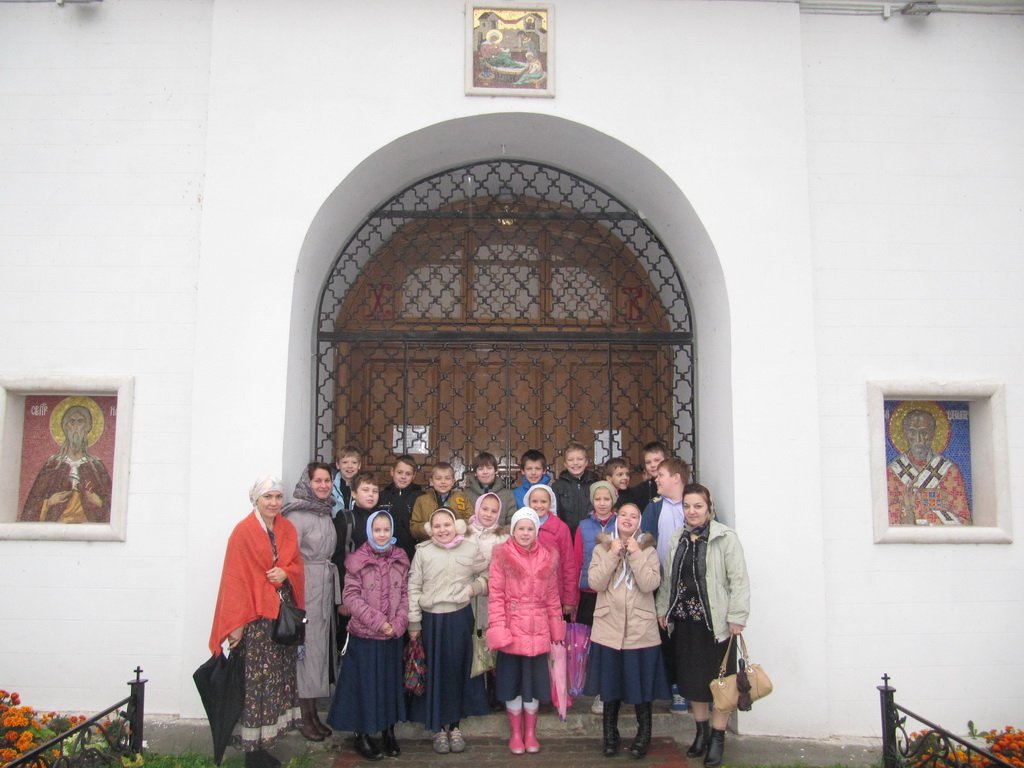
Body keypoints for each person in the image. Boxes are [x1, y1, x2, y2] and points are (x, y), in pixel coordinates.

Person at [208, 477, 304, 768]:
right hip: (255, 619)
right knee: (255, 684)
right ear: (256, 500)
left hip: (280, 618)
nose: (274, 502)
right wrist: (234, 624)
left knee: (276, 682)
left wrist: (286, 572)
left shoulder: (286, 528)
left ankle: (266, 745)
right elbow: (235, 578)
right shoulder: (243, 532)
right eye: (268, 497)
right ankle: (253, 752)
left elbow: (296, 563)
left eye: (277, 496)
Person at [656, 484, 750, 768]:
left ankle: (718, 738)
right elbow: (669, 579)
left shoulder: (725, 538)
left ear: (709, 508)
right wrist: (663, 609)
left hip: (716, 623)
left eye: (698, 506)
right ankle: (701, 732)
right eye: (687, 506)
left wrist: (737, 616)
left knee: (720, 683)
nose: (692, 511)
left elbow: (739, 580)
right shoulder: (678, 538)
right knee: (693, 682)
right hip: (686, 622)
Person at [585, 502, 669, 759]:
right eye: (623, 515)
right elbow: (595, 582)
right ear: (616, 518)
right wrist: (612, 554)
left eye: (633, 516)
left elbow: (650, 583)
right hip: (609, 626)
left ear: (639, 521)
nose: (628, 519)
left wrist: (635, 554)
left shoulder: (648, 549)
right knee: (610, 687)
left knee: (641, 686)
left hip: (639, 629)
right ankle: (610, 734)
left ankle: (644, 735)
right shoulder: (601, 548)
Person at [326, 510, 409, 761]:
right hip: (366, 635)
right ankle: (361, 733)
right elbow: (351, 597)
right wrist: (379, 622)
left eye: (386, 530)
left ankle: (388, 731)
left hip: (392, 636)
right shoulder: (357, 560)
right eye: (377, 530)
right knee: (364, 687)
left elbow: (405, 594)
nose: (382, 535)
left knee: (388, 686)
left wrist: (398, 623)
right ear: (370, 531)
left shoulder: (401, 558)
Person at [408, 508, 490, 754]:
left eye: (447, 524)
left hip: (459, 618)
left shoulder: (469, 548)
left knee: (456, 672)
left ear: (456, 526)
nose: (443, 529)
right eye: (438, 525)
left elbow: (487, 574)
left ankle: (454, 726)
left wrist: (474, 588)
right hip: (432, 621)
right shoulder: (423, 553)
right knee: (435, 673)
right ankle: (437, 728)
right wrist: (414, 622)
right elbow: (413, 587)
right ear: (431, 529)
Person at [487, 507, 566, 755]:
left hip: (538, 629)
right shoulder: (502, 556)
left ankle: (530, 733)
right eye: (520, 528)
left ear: (536, 531)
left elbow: (553, 597)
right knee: (513, 684)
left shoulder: (547, 556)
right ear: (513, 530)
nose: (525, 532)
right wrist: (498, 629)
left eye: (530, 528)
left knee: (532, 686)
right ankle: (515, 734)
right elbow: (496, 597)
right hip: (512, 630)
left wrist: (556, 630)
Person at [281, 462, 338, 742]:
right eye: (318, 481)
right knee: (305, 649)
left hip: (323, 585)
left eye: (327, 480)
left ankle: (314, 711)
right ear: (308, 482)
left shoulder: (325, 512)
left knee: (318, 649)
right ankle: (303, 714)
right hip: (305, 587)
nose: (324, 485)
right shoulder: (297, 515)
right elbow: (289, 556)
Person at [638, 456, 692, 713]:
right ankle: (674, 687)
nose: (656, 479)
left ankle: (694, 685)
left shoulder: (694, 503)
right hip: (662, 583)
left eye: (661, 475)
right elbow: (646, 541)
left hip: (691, 584)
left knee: (689, 637)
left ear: (676, 478)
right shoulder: (654, 507)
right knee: (666, 636)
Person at [20, 402, 113, 523]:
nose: (75, 427)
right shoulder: (53, 464)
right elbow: (30, 509)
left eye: (80, 422)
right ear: (65, 427)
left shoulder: (96, 466)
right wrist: (49, 502)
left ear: (88, 427)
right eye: (72, 422)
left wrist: (98, 501)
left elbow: (114, 509)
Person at [572, 480, 618, 714]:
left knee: (608, 644)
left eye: (606, 499)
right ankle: (589, 685)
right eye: (598, 499)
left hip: (614, 593)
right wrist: (573, 595)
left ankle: (606, 692)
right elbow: (577, 559)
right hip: (589, 592)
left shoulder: (621, 524)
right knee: (589, 643)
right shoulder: (583, 526)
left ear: (613, 501)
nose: (602, 503)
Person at [887, 405, 971, 525]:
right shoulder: (892, 472)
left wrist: (930, 518)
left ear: (933, 434)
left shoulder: (950, 472)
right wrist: (908, 510)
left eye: (924, 432)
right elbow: (884, 516)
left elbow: (963, 519)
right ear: (905, 434)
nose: (918, 439)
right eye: (912, 432)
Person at [467, 492, 509, 709]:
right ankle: (474, 694)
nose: (488, 514)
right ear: (477, 508)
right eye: (485, 509)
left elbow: (504, 569)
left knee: (491, 644)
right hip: (467, 598)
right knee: (471, 642)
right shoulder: (464, 533)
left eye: (493, 511)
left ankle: (493, 692)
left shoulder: (502, 537)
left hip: (492, 598)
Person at [526, 484, 576, 616]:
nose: (539, 505)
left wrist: (569, 599)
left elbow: (568, 564)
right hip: (525, 595)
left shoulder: (560, 528)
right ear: (528, 503)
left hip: (553, 595)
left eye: (543, 501)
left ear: (550, 503)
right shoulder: (522, 525)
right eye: (534, 501)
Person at [377, 454, 424, 561]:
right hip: (384, 554)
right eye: (400, 472)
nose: (403, 477)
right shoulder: (381, 496)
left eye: (408, 474)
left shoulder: (421, 497)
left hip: (412, 554)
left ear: (414, 475)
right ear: (392, 472)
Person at [410, 462, 471, 541]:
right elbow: (413, 528)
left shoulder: (462, 497)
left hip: (458, 544)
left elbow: (472, 520)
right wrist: (427, 528)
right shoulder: (421, 500)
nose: (443, 482)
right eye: (438, 478)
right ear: (431, 481)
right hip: (430, 545)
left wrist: (460, 526)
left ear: (453, 481)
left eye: (447, 478)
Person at [552, 441, 600, 537]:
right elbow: (554, 512)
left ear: (586, 462)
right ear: (565, 464)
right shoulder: (557, 486)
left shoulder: (596, 484)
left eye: (580, 459)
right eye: (570, 460)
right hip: (566, 535)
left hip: (592, 534)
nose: (575, 463)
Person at [463, 451, 517, 526]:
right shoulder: (465, 495)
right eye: (480, 469)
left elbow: (512, 523)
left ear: (495, 471)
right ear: (475, 473)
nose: (485, 472)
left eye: (489, 468)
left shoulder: (507, 495)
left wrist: (500, 534)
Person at [619, 441, 668, 513]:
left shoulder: (676, 485)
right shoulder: (640, 491)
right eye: (648, 462)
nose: (653, 465)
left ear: (666, 460)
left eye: (657, 460)